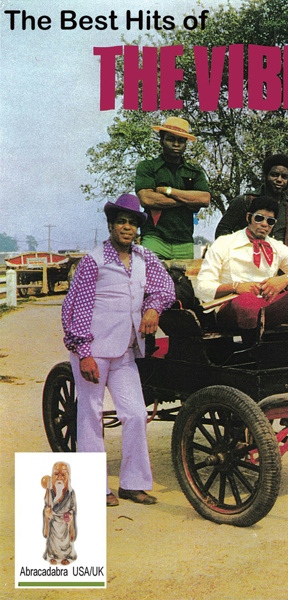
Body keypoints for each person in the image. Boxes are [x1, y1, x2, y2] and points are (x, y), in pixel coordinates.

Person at [62, 194, 175, 507]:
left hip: (125, 352)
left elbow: (165, 288)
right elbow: (76, 308)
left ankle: (133, 484)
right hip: (94, 351)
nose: (127, 227)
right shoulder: (94, 261)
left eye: (132, 223)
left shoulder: (144, 257)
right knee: (90, 415)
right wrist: (83, 352)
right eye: (121, 222)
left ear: (138, 228)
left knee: (136, 414)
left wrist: (152, 308)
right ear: (111, 225)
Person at [195, 196, 288, 343]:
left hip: (266, 308)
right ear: (248, 218)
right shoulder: (225, 243)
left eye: (270, 221)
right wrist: (236, 287)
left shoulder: (276, 246)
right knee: (248, 301)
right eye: (259, 218)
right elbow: (201, 287)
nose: (264, 224)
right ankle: (254, 354)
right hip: (232, 310)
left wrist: (286, 279)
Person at [215, 154, 288, 264]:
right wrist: (237, 254)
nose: (279, 180)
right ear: (266, 176)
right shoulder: (246, 201)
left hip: (277, 265)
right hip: (247, 263)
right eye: (274, 175)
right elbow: (223, 230)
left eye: (284, 177)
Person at [135, 116, 211, 260]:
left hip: (184, 241)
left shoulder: (195, 172)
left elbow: (205, 199)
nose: (176, 144)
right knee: (149, 273)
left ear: (185, 144)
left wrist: (168, 191)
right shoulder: (148, 167)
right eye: (170, 139)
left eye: (181, 140)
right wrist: (188, 200)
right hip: (154, 238)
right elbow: (146, 199)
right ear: (161, 141)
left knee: (185, 275)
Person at [42, 462, 77, 565]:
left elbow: (73, 507)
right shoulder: (49, 492)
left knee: (66, 542)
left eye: (63, 475)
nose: (59, 478)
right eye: (56, 474)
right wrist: (47, 514)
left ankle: (67, 556)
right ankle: (52, 555)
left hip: (65, 523)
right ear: (52, 476)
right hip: (53, 522)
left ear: (68, 477)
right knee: (52, 542)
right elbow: (46, 507)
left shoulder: (70, 493)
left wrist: (70, 515)